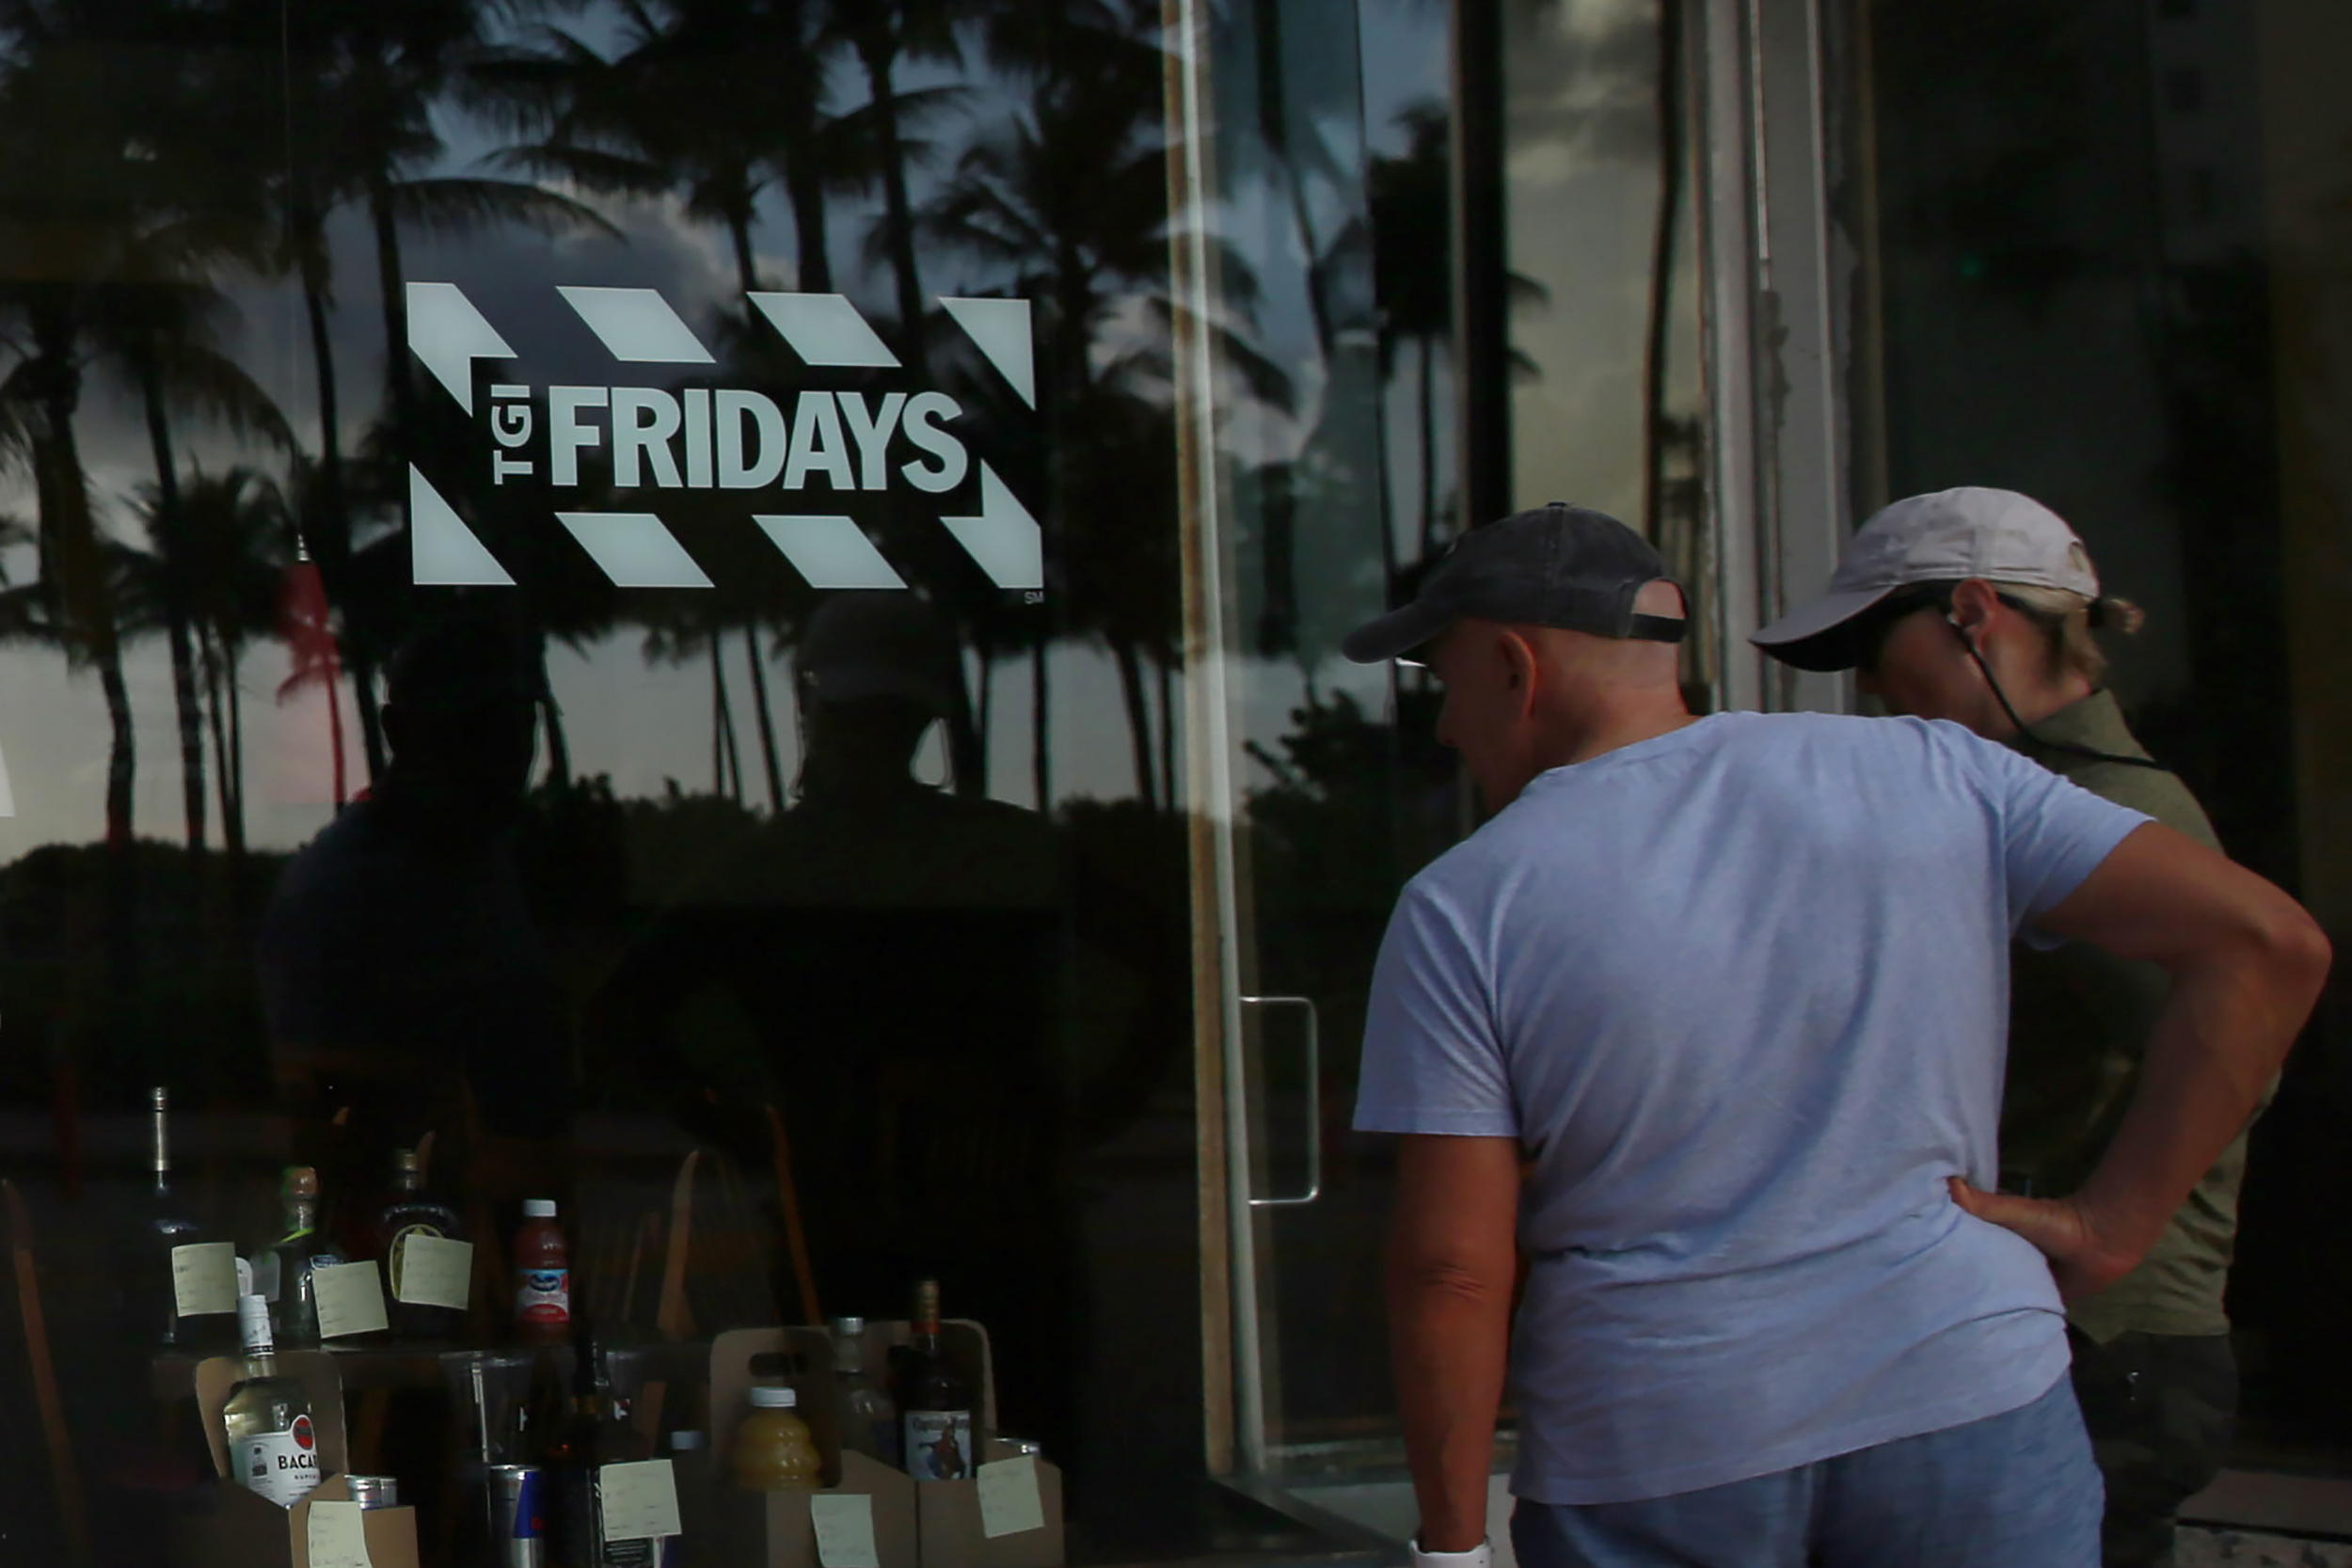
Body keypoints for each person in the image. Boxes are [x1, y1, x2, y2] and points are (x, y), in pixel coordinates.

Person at [1343, 502, 2328, 1568]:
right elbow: (2267, 945)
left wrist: (1450, 1546)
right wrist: (2111, 1225)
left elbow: (1451, 1267)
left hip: (1661, 1444)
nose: (1443, 728)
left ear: (1510, 665)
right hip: (1967, 1394)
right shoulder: (1941, 772)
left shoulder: (1462, 901)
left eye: (1441, 685)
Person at [1752, 486, 2257, 1566]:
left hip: (2105, 1345)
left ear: (1972, 612)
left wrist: (2103, 1223)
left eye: (1876, 645)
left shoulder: (2100, 814)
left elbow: (2248, 1015)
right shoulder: (2022, 794)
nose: (1872, 687)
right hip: (2075, 1339)